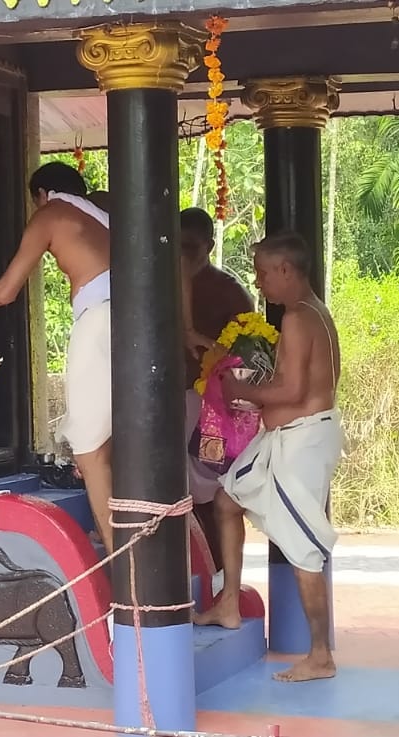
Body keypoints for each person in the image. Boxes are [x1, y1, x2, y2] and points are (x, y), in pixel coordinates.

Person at [0, 162, 119, 552]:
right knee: (115, 441)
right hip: (135, 320)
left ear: (40, 194)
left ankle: (119, 556)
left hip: (100, 321)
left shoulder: (50, 214)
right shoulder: (104, 217)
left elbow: (3, 292)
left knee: (89, 451)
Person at [192, 231, 343, 683]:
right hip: (286, 437)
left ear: (286, 270)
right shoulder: (315, 313)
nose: (258, 283)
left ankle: (320, 654)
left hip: (300, 443)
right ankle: (230, 603)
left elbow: (291, 390)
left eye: (261, 272)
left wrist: (241, 390)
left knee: (302, 548)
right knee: (226, 500)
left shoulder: (299, 317)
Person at [179, 207, 256, 572]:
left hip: (212, 408)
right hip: (165, 402)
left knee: (211, 486)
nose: (183, 253)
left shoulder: (229, 293)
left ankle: (217, 574)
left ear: (209, 245)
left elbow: (249, 355)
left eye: (190, 246)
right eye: (176, 245)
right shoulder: (155, 286)